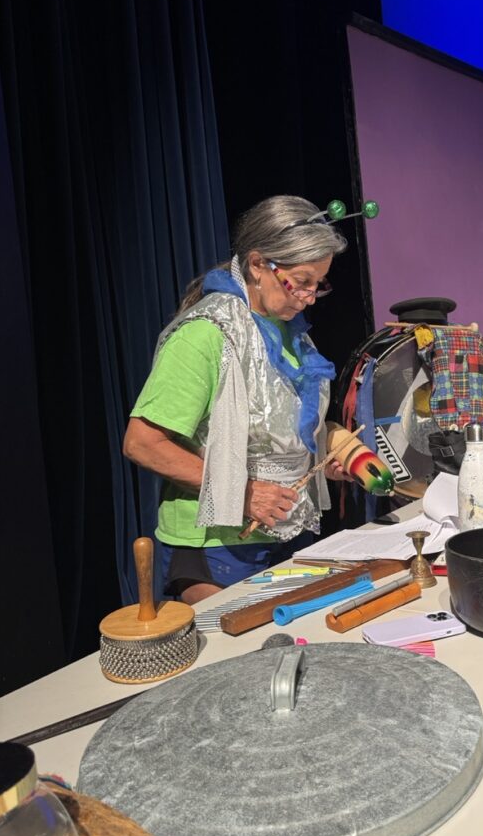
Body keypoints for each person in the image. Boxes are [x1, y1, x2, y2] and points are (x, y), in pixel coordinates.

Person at [124, 195, 353, 605]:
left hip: (284, 532)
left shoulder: (293, 335)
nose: (311, 296)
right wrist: (243, 492)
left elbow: (278, 430)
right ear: (258, 264)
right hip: (214, 545)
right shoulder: (205, 335)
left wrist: (329, 456)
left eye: (319, 284)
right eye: (301, 281)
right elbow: (142, 443)